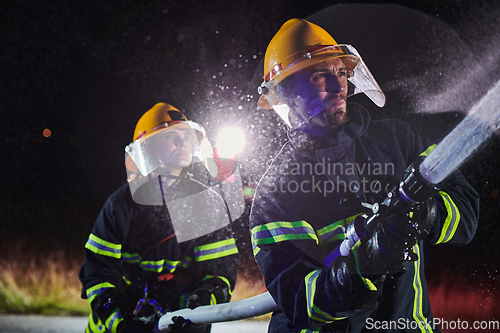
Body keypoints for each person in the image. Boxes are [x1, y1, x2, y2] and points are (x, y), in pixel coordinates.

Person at [249, 19, 479, 333]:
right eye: (321, 75)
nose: (337, 86)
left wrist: (428, 214)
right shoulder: (276, 192)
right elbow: (302, 303)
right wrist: (361, 268)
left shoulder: (399, 140)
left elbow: (466, 214)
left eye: (341, 73)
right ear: (288, 92)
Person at [80, 102, 239, 333]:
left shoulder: (207, 203)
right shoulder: (120, 205)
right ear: (148, 149)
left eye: (186, 136)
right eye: (170, 137)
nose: (182, 142)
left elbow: (218, 274)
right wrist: (122, 324)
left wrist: (196, 310)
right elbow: (98, 276)